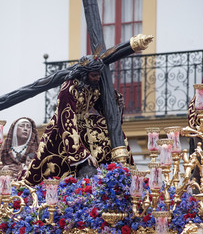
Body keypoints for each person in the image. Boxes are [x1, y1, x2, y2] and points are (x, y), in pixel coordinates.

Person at [24, 56, 133, 186]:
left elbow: (103, 109)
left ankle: (118, 175)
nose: (97, 78)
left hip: (87, 124)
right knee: (54, 166)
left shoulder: (94, 86)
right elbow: (67, 119)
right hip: (66, 126)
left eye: (99, 75)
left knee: (109, 131)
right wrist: (82, 154)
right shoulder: (69, 88)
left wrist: (116, 104)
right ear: (84, 74)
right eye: (94, 75)